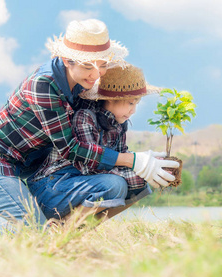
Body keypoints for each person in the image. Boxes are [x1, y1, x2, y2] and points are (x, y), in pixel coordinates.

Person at [0, 19, 178, 233]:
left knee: (46, 227)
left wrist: (147, 165)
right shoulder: (43, 85)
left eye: (103, 65)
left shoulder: (82, 85)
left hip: (24, 165)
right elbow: (71, 148)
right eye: (89, 66)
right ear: (68, 60)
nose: (97, 74)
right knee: (31, 232)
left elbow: (101, 128)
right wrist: (134, 161)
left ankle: (38, 224)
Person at [27, 64, 169, 222]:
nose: (133, 110)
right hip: (51, 187)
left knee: (141, 188)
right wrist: (140, 173)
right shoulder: (85, 117)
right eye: (130, 103)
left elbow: (121, 159)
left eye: (136, 104)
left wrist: (149, 168)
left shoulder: (120, 124)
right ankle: (61, 232)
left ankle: (77, 229)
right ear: (111, 99)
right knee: (115, 184)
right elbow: (89, 168)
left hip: (78, 185)